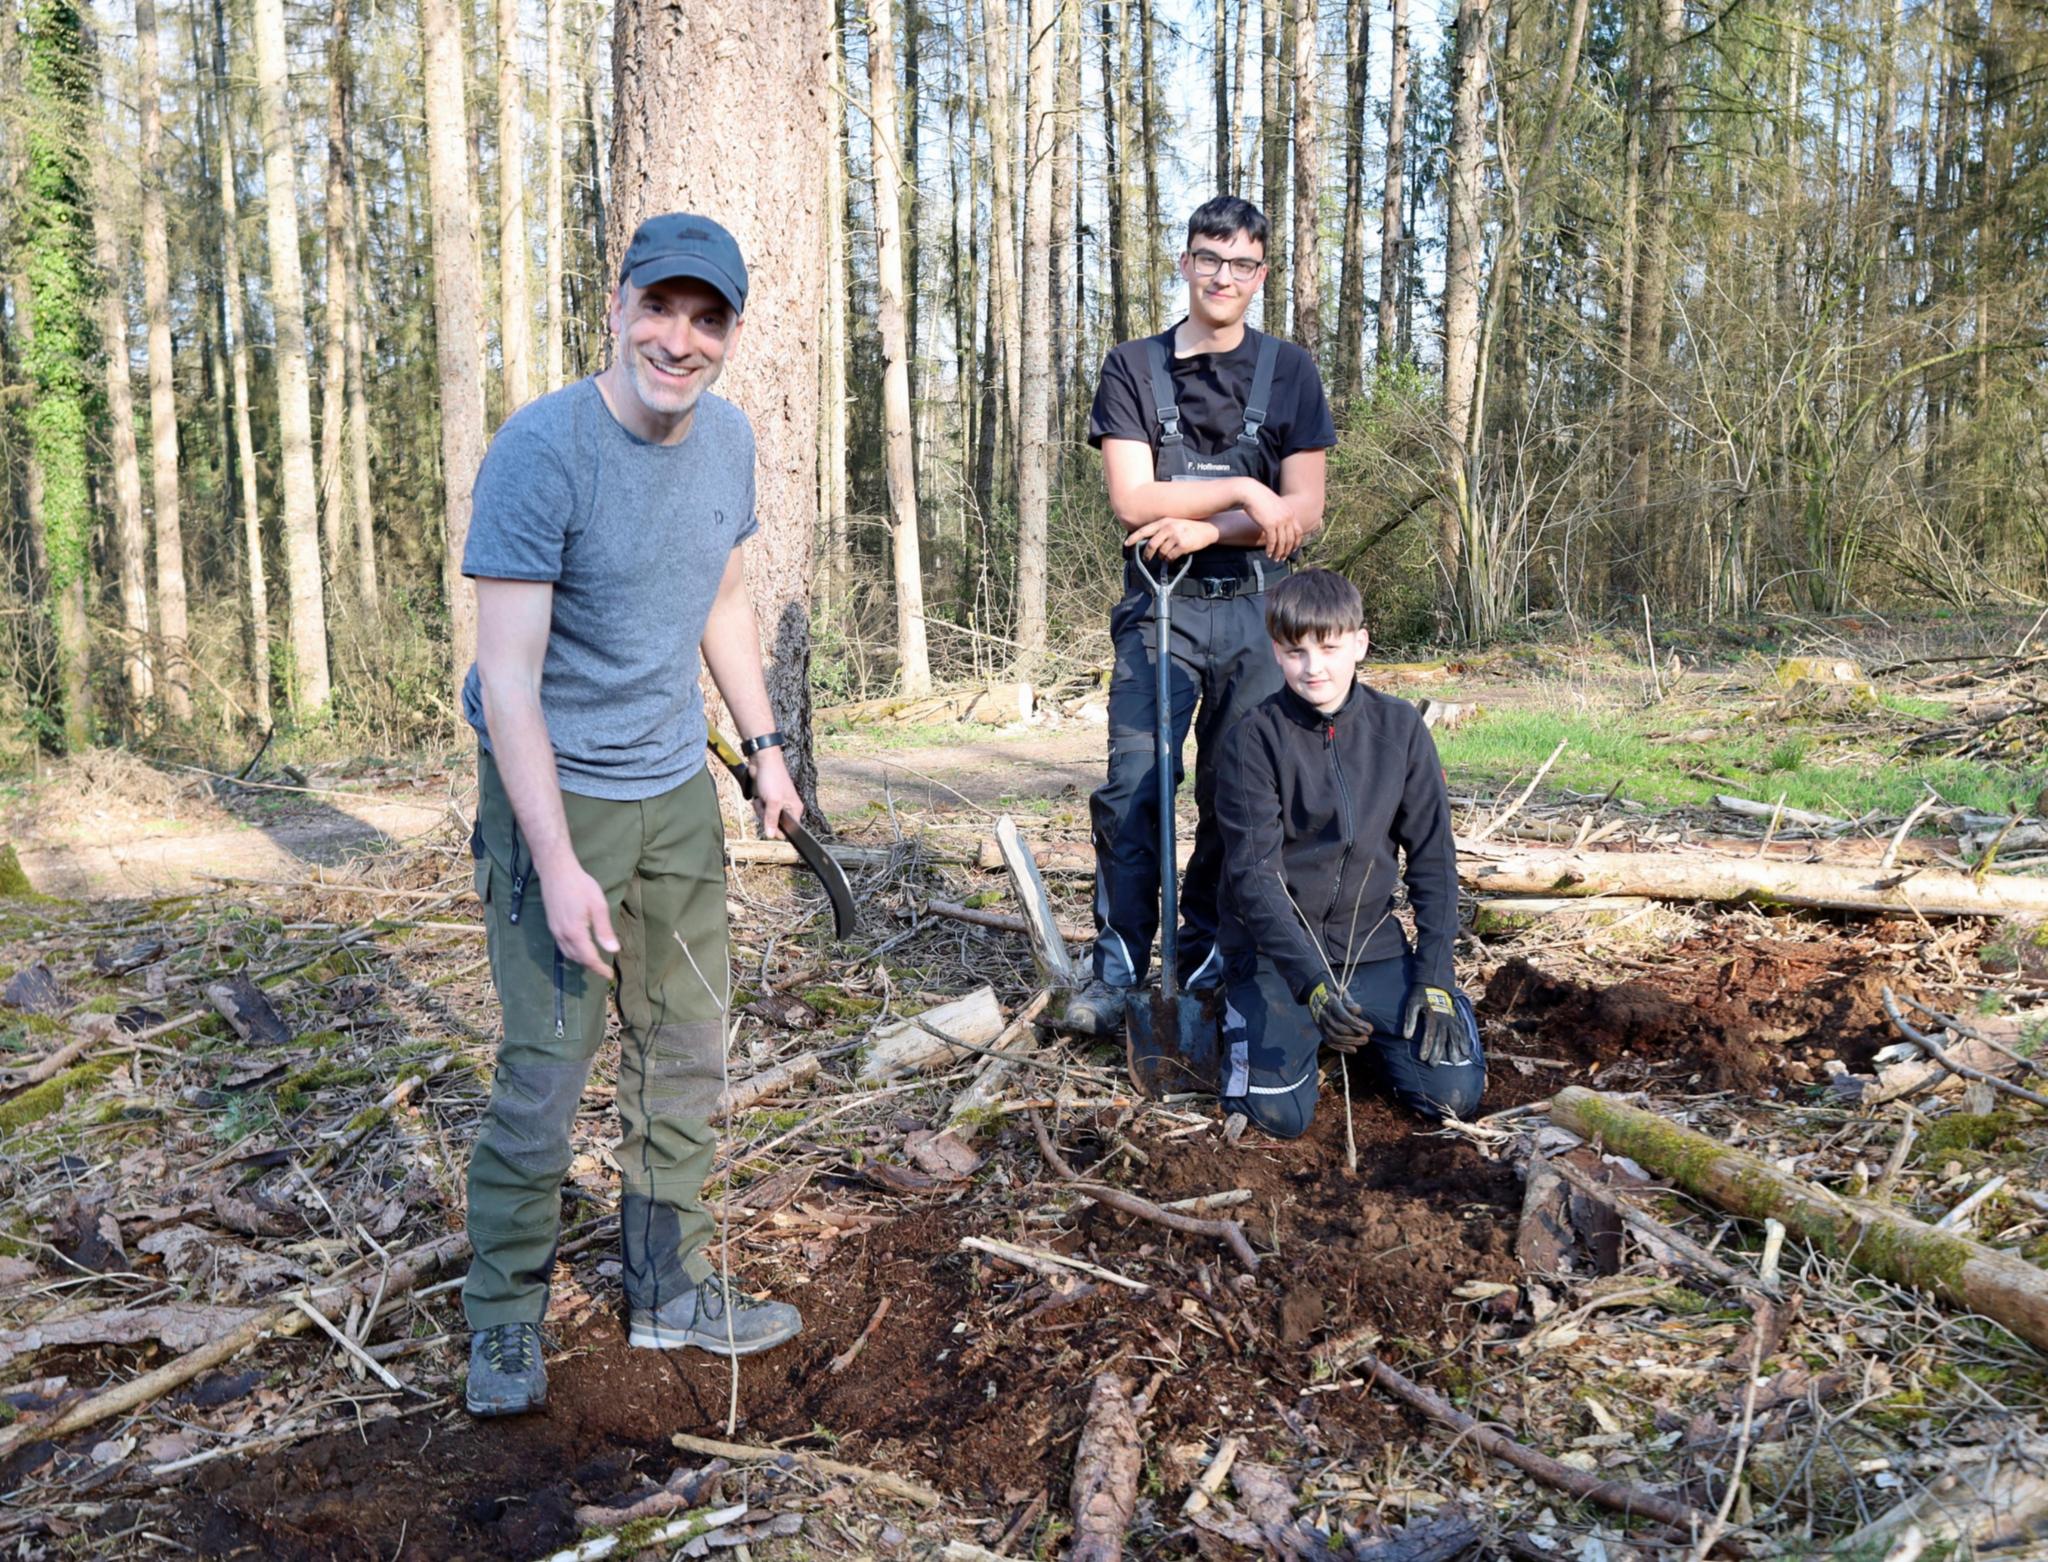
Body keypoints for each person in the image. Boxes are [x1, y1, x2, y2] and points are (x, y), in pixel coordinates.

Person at [458, 212, 804, 1418]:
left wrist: (763, 748)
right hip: (554, 786)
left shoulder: (727, 445)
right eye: (659, 307)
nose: (678, 338)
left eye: (705, 319)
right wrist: (552, 863)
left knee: (687, 1044)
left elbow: (720, 600)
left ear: (729, 335)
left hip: (672, 787)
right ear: (616, 306)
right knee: (550, 1066)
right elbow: (507, 677)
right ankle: (502, 1315)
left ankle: (667, 1283)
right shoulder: (542, 451)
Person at [1065, 195, 1337, 1037]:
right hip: (1158, 613)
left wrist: (1206, 525)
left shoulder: (1289, 371)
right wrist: (1246, 488)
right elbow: (1131, 496)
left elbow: (1306, 512)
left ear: (1261, 276)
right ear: (1184, 264)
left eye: (1242, 263)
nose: (1223, 277)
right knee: (1135, 790)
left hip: (1257, 614)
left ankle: (1212, 956)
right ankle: (1117, 965)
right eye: (1208, 259)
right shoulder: (1132, 368)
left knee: (1238, 795)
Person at [1211, 569, 1485, 1138]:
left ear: (1360, 643)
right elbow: (1254, 881)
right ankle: (1252, 1016)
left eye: (1329, 648)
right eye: (1295, 651)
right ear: (1276, 651)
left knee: (1454, 1095)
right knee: (1278, 1118)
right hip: (1277, 960)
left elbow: (1433, 858)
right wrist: (1311, 985)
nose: (1314, 668)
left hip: (1373, 948)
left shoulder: (1401, 727)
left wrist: (1435, 975)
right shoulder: (1251, 740)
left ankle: (1375, 1042)